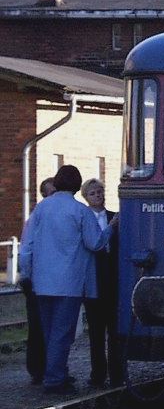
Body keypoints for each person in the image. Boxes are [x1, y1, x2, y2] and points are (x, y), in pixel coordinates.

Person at [19, 165, 116, 395]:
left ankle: (56, 373)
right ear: (76, 184)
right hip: (69, 282)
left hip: (42, 281)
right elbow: (95, 243)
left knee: (49, 330)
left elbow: (27, 245)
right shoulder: (80, 211)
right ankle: (54, 379)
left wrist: (27, 273)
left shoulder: (41, 208)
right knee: (62, 333)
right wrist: (111, 228)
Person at [81, 178, 124, 388]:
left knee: (115, 331)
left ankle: (117, 373)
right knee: (96, 332)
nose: (98, 196)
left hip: (112, 277)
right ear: (86, 197)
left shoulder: (114, 217)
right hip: (93, 278)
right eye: (93, 193)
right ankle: (98, 373)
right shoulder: (84, 218)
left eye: (100, 192)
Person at [18, 177, 57, 384]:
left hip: (49, 277)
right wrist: (26, 276)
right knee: (38, 325)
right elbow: (27, 248)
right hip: (36, 278)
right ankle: (37, 368)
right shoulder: (38, 217)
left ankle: (47, 367)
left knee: (50, 326)